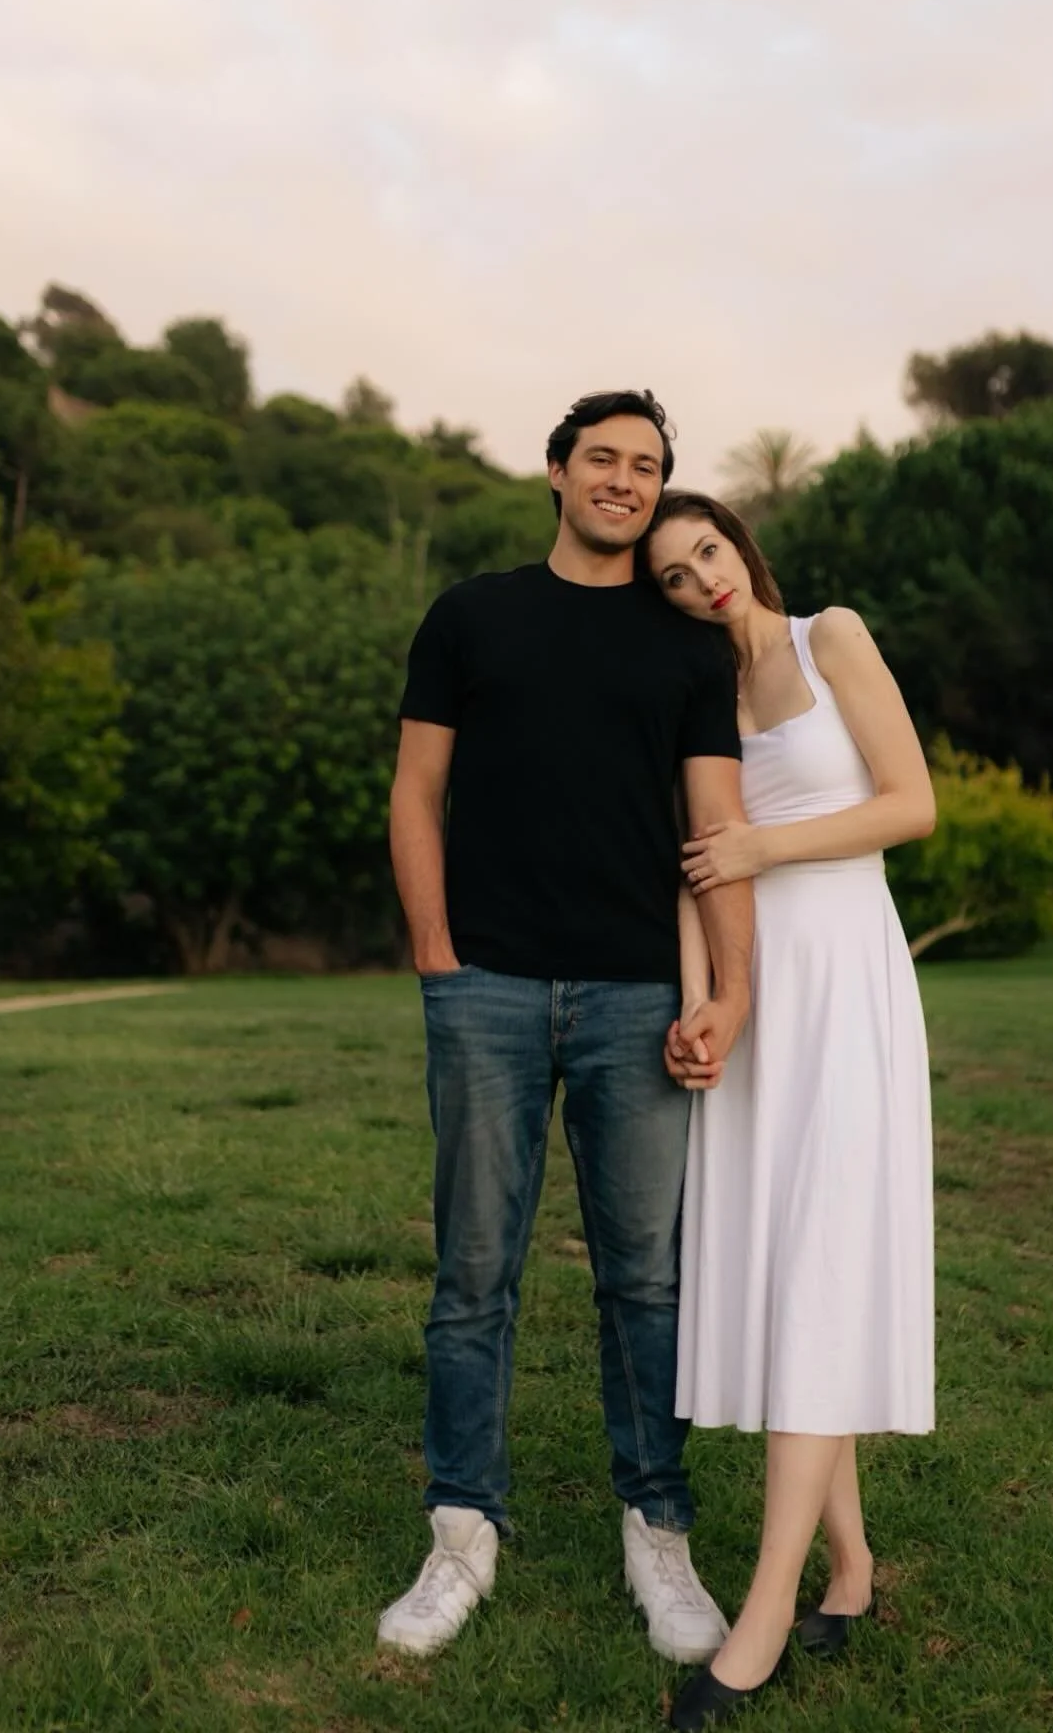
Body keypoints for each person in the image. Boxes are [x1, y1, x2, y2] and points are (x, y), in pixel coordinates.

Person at [379, 396, 755, 1666]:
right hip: (482, 982)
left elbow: (716, 836)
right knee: (472, 1275)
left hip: (635, 995)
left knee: (645, 1279)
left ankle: (658, 1530)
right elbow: (416, 792)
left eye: (648, 468)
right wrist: (437, 953)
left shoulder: (689, 647)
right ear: (555, 472)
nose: (626, 481)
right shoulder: (470, 616)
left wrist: (726, 990)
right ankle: (461, 1531)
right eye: (604, 459)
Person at [643, 492, 937, 1731]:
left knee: (820, 1276)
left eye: (707, 550)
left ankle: (761, 1617)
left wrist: (774, 849)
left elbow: (912, 803)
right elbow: (694, 869)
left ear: (741, 548)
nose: (700, 578)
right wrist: (706, 1005)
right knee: (786, 1280)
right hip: (763, 1014)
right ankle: (853, 1568)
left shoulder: (834, 637)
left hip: (851, 985)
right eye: (670, 574)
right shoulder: (695, 701)